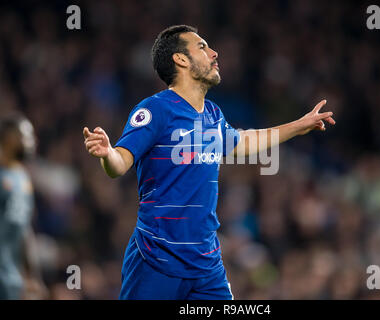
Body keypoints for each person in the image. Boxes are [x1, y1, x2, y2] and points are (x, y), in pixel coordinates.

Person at [83, 25, 335, 300]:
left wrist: (300, 125)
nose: (214, 53)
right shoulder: (155, 109)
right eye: (202, 47)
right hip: (157, 257)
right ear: (180, 59)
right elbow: (120, 163)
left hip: (206, 262)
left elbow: (245, 142)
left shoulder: (213, 114)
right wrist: (108, 154)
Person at [0, 114, 47, 299]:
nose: (32, 141)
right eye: (26, 135)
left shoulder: (23, 179)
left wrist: (34, 276)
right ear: (9, 137)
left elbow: (24, 230)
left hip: (11, 278)